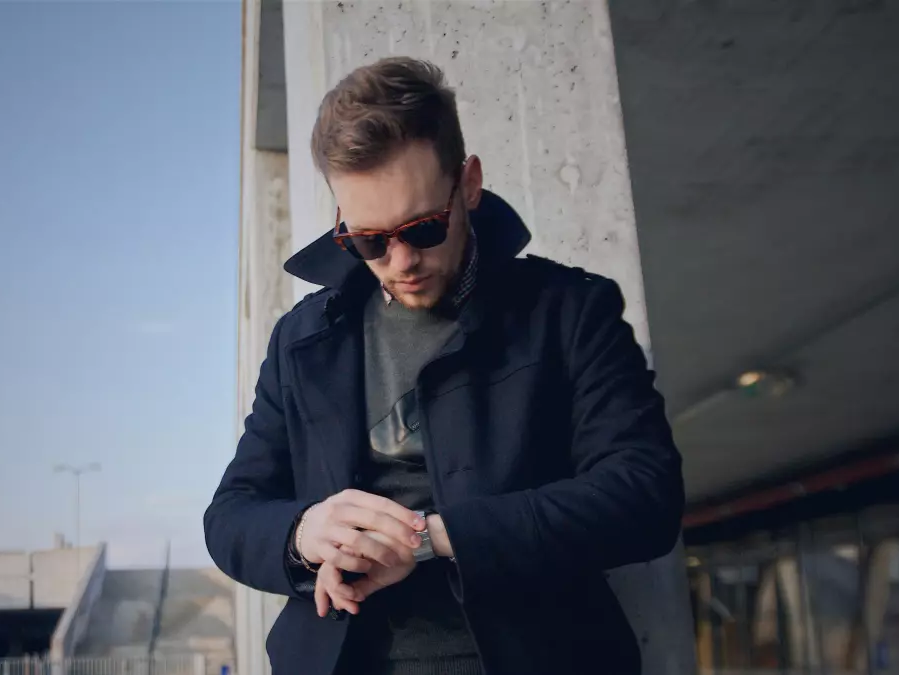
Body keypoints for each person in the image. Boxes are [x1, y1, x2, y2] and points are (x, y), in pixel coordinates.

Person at [204, 56, 685, 675]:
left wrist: (431, 537)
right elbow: (231, 515)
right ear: (340, 225)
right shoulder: (302, 339)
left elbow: (644, 497)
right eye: (369, 240)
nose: (400, 260)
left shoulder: (569, 311)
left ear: (469, 184)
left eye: (424, 228)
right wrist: (303, 532)